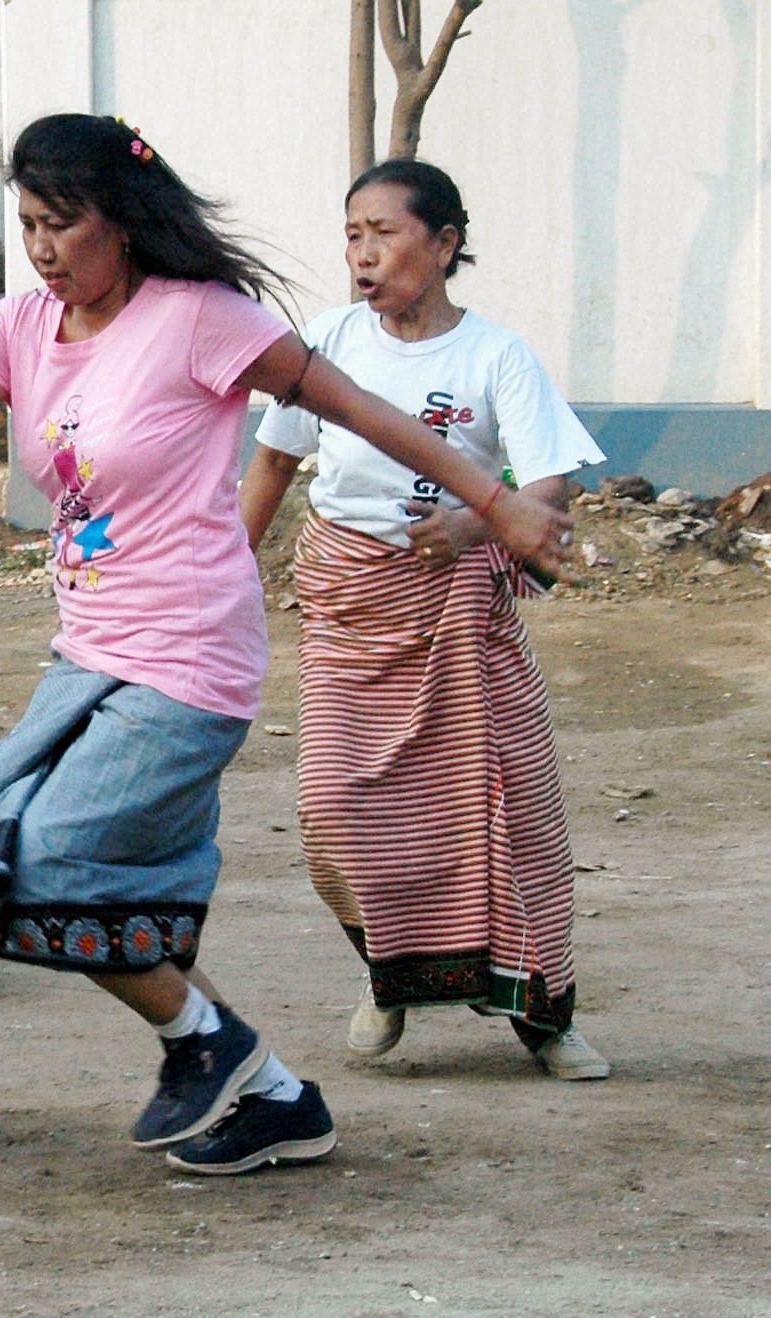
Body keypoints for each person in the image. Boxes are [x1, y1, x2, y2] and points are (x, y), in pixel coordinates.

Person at [0, 114, 575, 1174]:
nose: (44, 249)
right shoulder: (22, 324)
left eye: (63, 224)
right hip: (90, 654)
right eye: (28, 226)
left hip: (190, 656)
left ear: (126, 220)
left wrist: (498, 502)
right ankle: (264, 1088)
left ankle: (213, 1045)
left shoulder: (199, 318)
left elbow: (362, 410)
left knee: (53, 861)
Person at [242, 159, 608, 1080]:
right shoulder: (326, 342)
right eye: (352, 234)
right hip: (349, 608)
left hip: (460, 622)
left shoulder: (496, 356)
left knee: (508, 816)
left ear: (444, 244)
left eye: (385, 233)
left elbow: (549, 485)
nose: (363, 254)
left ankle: (545, 1020)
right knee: (330, 809)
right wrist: (221, 577)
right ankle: (385, 973)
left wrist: (478, 515)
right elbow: (273, 469)